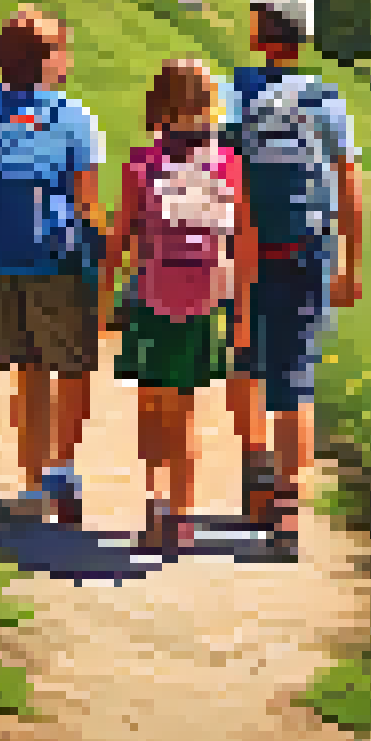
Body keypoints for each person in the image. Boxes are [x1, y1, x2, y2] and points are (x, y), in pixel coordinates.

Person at [0, 6, 106, 528]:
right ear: (47, 59)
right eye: (63, 49)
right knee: (74, 367)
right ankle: (64, 471)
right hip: (59, 260)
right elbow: (87, 205)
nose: (69, 59)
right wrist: (109, 268)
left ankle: (34, 485)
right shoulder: (76, 118)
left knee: (28, 370)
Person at [223, 0, 363, 559]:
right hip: (309, 251)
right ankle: (287, 509)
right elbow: (348, 184)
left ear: (268, 28)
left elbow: (217, 167)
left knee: (245, 366)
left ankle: (258, 473)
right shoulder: (326, 100)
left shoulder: (236, 91)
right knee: (294, 380)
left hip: (246, 254)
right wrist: (350, 263)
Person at [98, 58, 256, 557]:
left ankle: (156, 505)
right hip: (205, 302)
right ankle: (180, 517)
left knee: (151, 406)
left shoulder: (143, 162)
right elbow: (243, 243)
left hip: (152, 298)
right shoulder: (229, 163)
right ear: (211, 106)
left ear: (158, 105)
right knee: (184, 412)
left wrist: (103, 296)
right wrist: (242, 312)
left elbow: (120, 237)